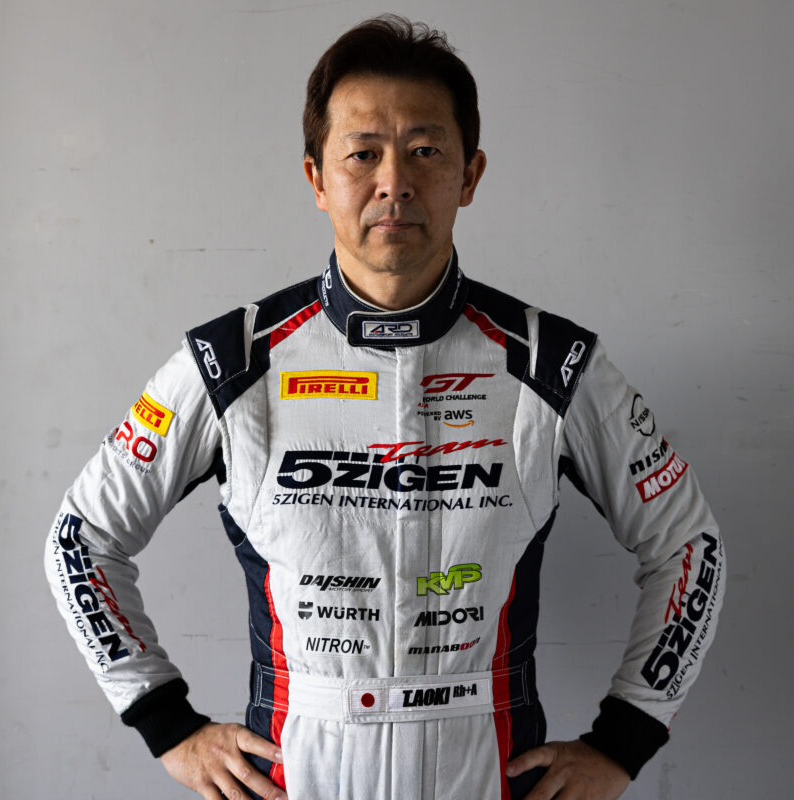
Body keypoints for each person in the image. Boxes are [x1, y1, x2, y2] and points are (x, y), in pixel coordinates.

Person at [45, 15, 724, 800]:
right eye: (363, 153)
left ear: (469, 176)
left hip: (489, 778)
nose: (393, 182)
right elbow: (80, 539)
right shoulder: (232, 361)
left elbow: (690, 545)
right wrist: (166, 724)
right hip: (297, 777)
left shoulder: (552, 363)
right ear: (317, 178)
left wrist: (625, 740)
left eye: (425, 151)